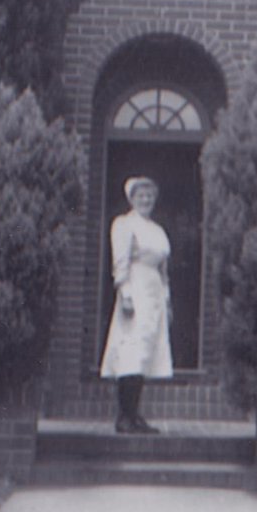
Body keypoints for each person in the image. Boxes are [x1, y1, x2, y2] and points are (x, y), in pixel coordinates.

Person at [100, 176, 172, 433]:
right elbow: (120, 261)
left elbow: (164, 271)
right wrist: (125, 293)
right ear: (131, 199)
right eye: (141, 196)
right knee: (130, 350)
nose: (146, 200)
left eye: (150, 196)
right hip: (135, 288)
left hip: (154, 293)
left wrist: (167, 300)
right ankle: (124, 415)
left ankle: (135, 414)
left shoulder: (157, 230)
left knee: (145, 353)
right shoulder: (124, 224)